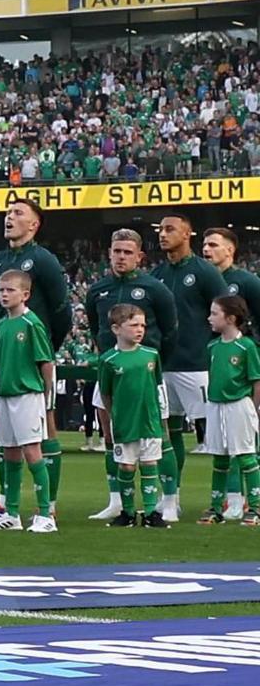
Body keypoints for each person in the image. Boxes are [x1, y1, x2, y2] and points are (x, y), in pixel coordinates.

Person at [0, 197, 73, 522]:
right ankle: (6, 502)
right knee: (4, 433)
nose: (9, 217)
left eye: (18, 213)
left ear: (34, 224)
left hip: (33, 357)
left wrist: (45, 347)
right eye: (8, 212)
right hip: (3, 356)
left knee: (45, 429)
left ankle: (48, 504)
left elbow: (62, 310)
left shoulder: (43, 260)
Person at [84, 230, 178, 520]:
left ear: (139, 256)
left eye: (127, 252)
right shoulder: (97, 290)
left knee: (161, 437)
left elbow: (170, 330)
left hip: (147, 374)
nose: (121, 256)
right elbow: (95, 327)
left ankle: (169, 501)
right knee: (111, 435)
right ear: (109, 253)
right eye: (116, 251)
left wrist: (152, 362)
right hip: (112, 370)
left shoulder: (154, 288)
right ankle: (117, 501)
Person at [151, 214, 228, 522]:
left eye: (170, 229)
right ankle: (171, 497)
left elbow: (226, 310)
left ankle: (233, 498)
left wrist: (208, 348)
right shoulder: (157, 274)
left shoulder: (204, 272)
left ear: (187, 234)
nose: (162, 234)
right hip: (163, 364)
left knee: (219, 433)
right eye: (160, 230)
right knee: (168, 434)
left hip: (196, 365)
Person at [0, 269, 57, 533]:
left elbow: (46, 362)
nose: (4, 294)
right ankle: (12, 513)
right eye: (1, 290)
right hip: (6, 394)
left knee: (32, 452)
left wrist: (45, 398)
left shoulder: (32, 324)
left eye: (10, 290)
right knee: (10, 453)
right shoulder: (1, 326)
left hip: (28, 394)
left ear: (25, 294)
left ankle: (46, 513)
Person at [97, 304, 165, 527]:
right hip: (125, 423)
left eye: (143, 325)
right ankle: (127, 512)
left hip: (149, 421)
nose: (140, 329)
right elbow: (106, 393)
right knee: (126, 466)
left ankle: (150, 512)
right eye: (134, 324)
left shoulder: (151, 355)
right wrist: (114, 415)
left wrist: (159, 416)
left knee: (149, 464)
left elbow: (157, 386)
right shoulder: (109, 360)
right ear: (116, 328)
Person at [202, 296, 260, 524]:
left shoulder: (246, 346)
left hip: (239, 405)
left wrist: (254, 409)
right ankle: (216, 507)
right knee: (219, 457)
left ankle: (255, 507)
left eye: (214, 313)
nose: (209, 318)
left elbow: (256, 380)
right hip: (215, 405)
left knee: (246, 456)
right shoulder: (213, 346)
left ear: (231, 318)